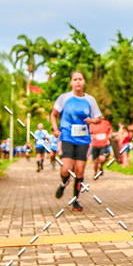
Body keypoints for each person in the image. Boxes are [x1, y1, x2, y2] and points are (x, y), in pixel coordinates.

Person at [50, 71, 102, 212]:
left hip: (83, 139)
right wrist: (55, 129)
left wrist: (92, 120)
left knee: (79, 170)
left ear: (84, 82)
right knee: (66, 168)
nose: (78, 82)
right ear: (71, 82)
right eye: (75, 79)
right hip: (67, 136)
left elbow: (99, 117)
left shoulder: (90, 100)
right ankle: (63, 182)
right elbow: (53, 114)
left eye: (80, 79)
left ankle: (75, 200)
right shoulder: (64, 98)